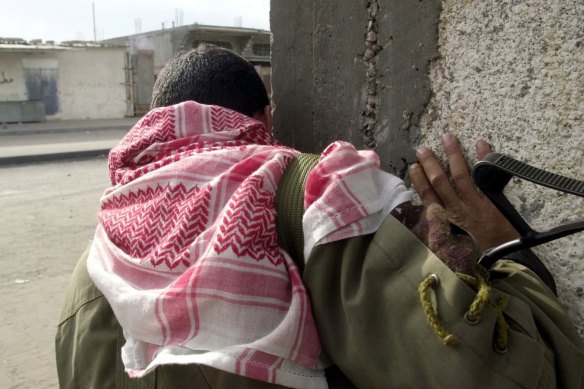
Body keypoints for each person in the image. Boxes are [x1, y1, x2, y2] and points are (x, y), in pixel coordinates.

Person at [56, 45, 584, 388]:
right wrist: (503, 249)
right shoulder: (324, 200)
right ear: (266, 118)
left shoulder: (89, 279)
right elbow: (521, 376)